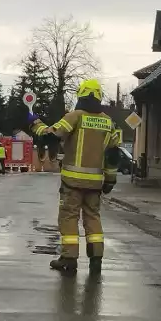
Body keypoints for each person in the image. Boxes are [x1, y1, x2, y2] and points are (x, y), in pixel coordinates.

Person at [29, 79, 120, 273]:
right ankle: (96, 260)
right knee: (93, 218)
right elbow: (113, 154)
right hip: (95, 184)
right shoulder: (108, 121)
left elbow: (51, 135)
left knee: (69, 218)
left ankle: (69, 260)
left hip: (72, 182)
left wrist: (35, 123)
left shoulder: (75, 116)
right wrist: (110, 179)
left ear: (81, 95)